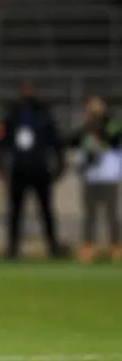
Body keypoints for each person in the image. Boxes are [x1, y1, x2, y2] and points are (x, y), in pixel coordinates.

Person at [0, 82, 66, 260]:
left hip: (40, 168)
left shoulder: (44, 114)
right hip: (19, 169)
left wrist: (59, 164)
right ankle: (12, 248)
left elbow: (55, 141)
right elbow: (2, 141)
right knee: (15, 211)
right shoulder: (12, 115)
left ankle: (52, 245)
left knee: (46, 210)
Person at [68, 96, 122, 263]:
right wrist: (87, 125)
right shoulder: (86, 129)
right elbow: (73, 140)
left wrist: (100, 125)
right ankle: (88, 248)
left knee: (112, 215)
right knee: (90, 216)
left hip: (109, 176)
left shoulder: (111, 126)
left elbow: (113, 139)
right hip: (90, 178)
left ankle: (116, 247)